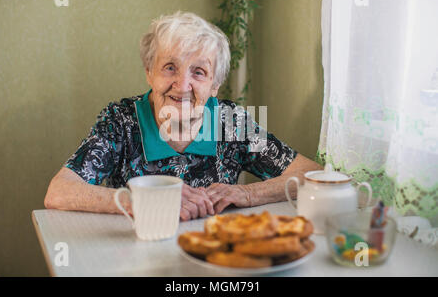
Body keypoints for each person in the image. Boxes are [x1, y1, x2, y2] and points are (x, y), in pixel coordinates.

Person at [44, 11, 322, 221]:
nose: (182, 84)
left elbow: (312, 174)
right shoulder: (121, 121)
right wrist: (142, 201)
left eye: (198, 72)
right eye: (169, 68)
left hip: (215, 258)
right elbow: (59, 191)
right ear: (149, 72)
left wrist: (247, 194)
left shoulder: (230, 122)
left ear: (214, 85)